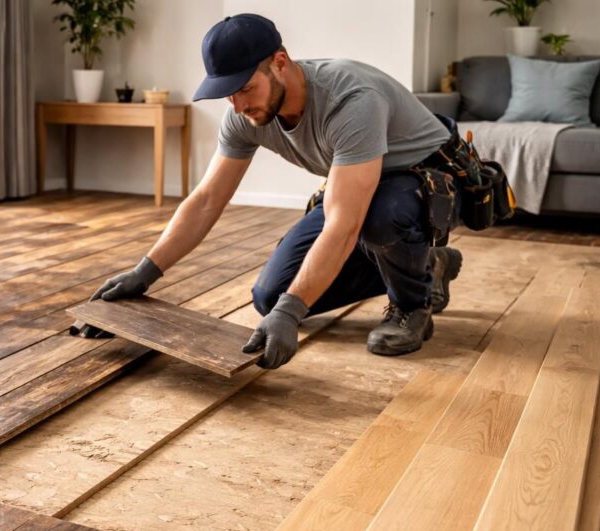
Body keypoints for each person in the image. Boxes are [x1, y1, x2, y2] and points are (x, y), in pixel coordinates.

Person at [86, 13, 463, 369]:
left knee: (381, 219)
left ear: (280, 63)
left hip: (424, 182)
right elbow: (206, 200)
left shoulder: (352, 101)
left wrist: (292, 311)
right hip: (356, 183)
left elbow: (343, 224)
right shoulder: (243, 113)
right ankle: (426, 263)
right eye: (227, 93)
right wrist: (146, 271)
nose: (238, 104)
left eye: (246, 88)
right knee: (270, 297)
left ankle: (413, 304)